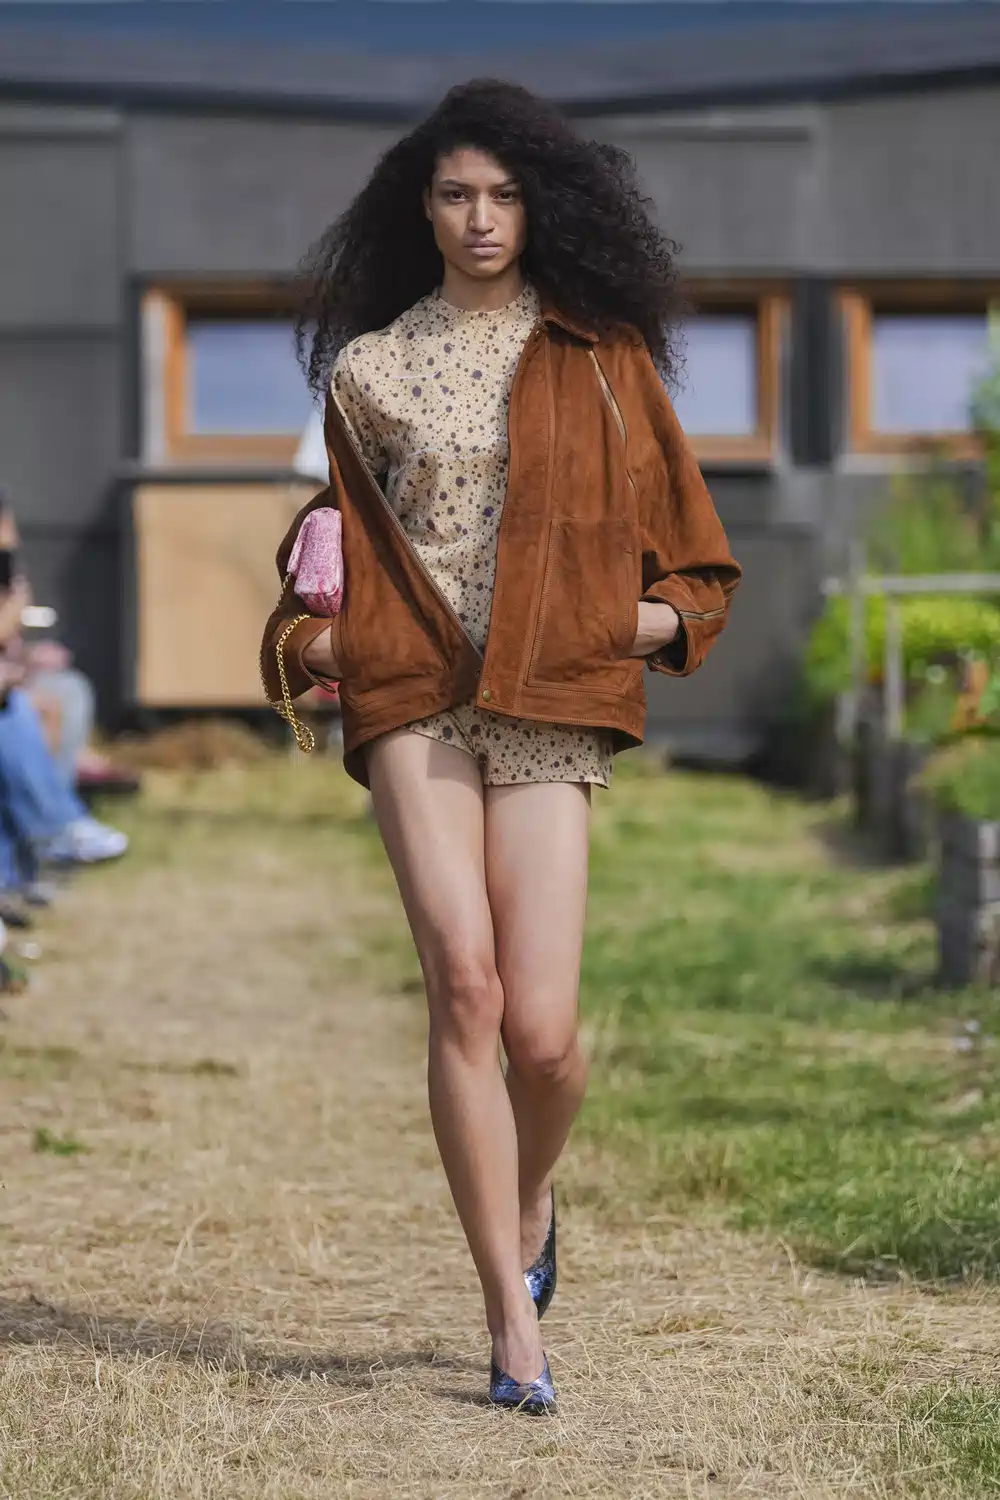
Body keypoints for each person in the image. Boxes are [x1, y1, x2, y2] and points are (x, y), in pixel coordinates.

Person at [261, 80, 741, 1413]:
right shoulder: (367, 371)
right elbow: (315, 578)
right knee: (464, 993)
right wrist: (323, 641)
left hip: (550, 702)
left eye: (506, 194)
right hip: (415, 698)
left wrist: (612, 623)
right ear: (419, 210)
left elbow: (699, 577)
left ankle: (532, 1198)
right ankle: (507, 1318)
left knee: (545, 1036)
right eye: (457, 194)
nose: (482, 218)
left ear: (544, 207)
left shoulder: (602, 356)